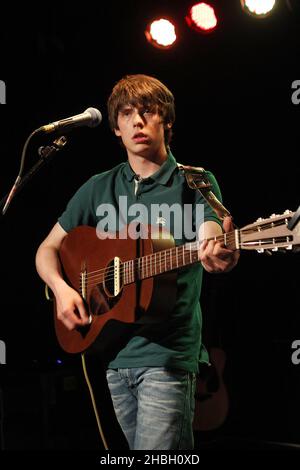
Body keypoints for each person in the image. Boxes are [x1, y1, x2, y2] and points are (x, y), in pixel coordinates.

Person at [35, 74, 239, 450]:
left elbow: (212, 232)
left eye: (148, 111)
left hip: (169, 356)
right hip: (112, 356)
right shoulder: (98, 186)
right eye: (127, 114)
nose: (137, 121)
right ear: (115, 127)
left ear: (168, 121)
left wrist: (217, 252)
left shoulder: (195, 182)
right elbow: (46, 250)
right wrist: (63, 292)